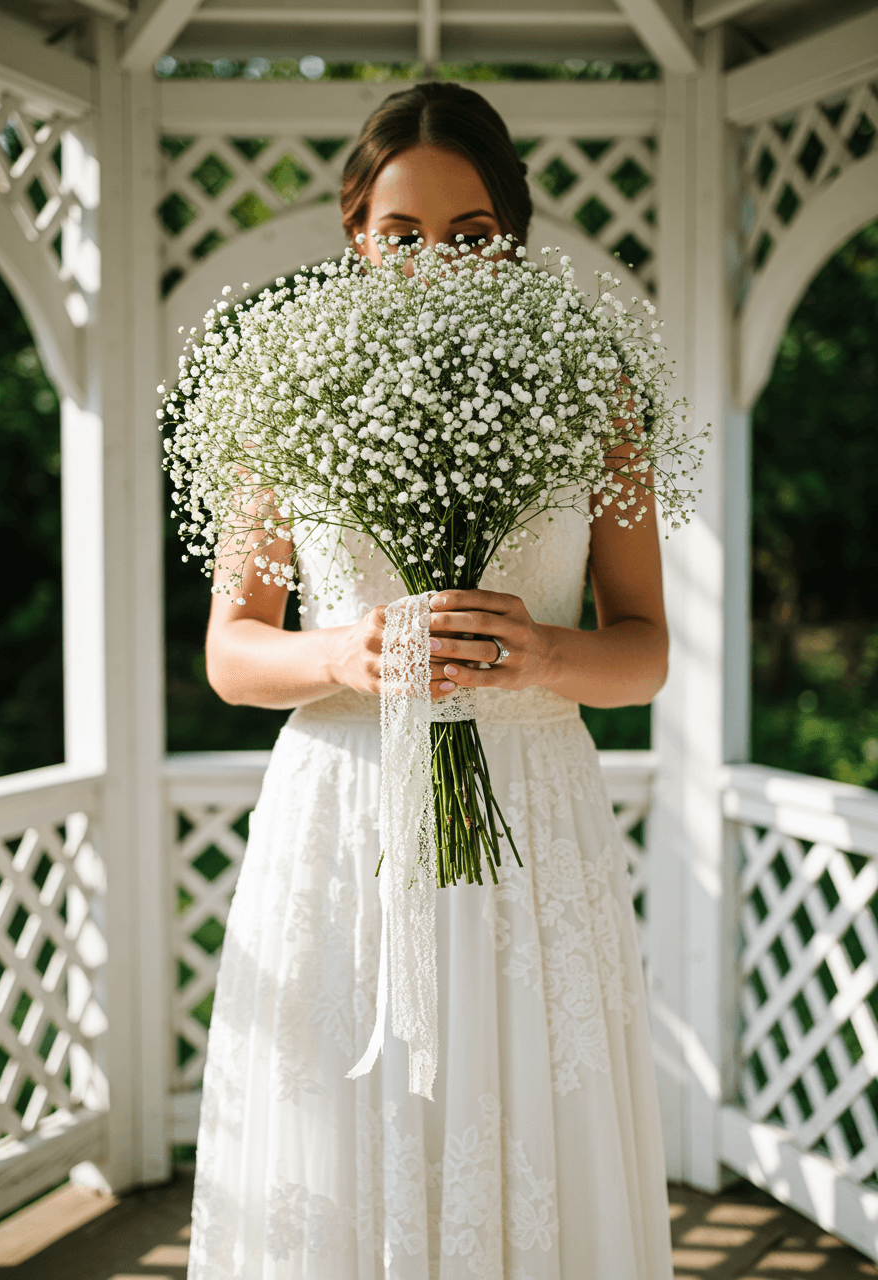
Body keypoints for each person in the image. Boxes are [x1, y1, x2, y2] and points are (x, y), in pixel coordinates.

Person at [186, 81, 674, 1280]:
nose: (433, 264)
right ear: (356, 236)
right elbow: (232, 652)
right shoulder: (281, 395)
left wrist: (548, 651)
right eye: (400, 235)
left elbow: (646, 646)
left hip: (527, 821)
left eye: (468, 237)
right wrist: (341, 653)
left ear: (508, 239)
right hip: (347, 814)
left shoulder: (591, 396)